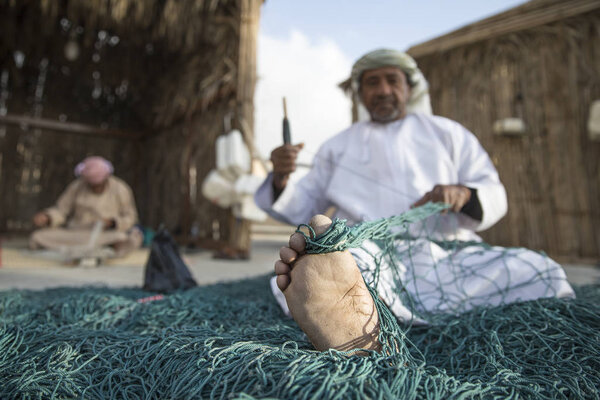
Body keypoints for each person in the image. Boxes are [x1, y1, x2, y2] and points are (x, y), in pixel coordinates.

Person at [254, 49, 574, 353]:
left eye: (392, 80)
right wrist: (281, 178)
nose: (383, 90)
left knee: (538, 270)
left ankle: (367, 316)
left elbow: (493, 191)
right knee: (326, 268)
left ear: (409, 87)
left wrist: (464, 194)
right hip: (368, 254)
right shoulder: (336, 146)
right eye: (372, 82)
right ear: (360, 93)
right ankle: (346, 317)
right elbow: (303, 206)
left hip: (447, 254)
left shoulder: (449, 133)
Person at [30, 156, 143, 259]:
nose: (94, 187)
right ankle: (99, 250)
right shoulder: (76, 186)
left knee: (127, 238)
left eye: (98, 184)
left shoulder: (120, 188)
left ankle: (106, 248)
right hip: (79, 233)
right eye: (91, 184)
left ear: (106, 177)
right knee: (38, 237)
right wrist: (47, 217)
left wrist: (112, 223)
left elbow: (130, 217)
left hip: (106, 235)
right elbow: (61, 210)